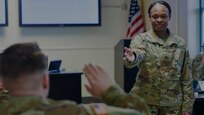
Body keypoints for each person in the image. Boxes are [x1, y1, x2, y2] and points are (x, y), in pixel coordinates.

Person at [0, 42, 150, 115]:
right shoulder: (71, 112)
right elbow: (139, 112)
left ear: (3, 82)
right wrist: (111, 92)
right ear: (46, 81)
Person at [123, 1, 194, 115]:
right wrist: (133, 57)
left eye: (163, 16)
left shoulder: (180, 43)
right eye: (155, 16)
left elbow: (186, 78)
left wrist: (187, 107)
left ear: (169, 17)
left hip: (172, 105)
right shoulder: (141, 39)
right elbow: (137, 54)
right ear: (150, 18)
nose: (159, 20)